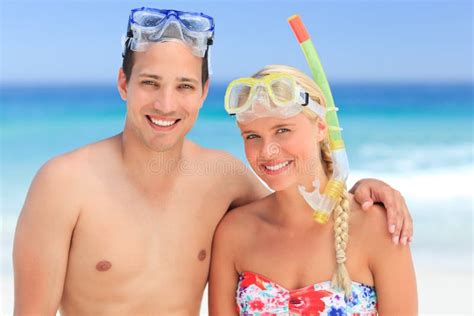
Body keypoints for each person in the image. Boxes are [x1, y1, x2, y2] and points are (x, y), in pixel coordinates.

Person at [13, 7, 413, 316]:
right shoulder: (63, 184)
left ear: (203, 93)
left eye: (184, 86)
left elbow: (300, 206)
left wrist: (364, 189)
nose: (166, 104)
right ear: (124, 84)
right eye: (150, 83)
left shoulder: (223, 178)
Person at [209, 65, 417, 315]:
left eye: (282, 130)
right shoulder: (234, 233)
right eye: (252, 136)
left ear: (320, 128)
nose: (267, 151)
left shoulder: (378, 227)